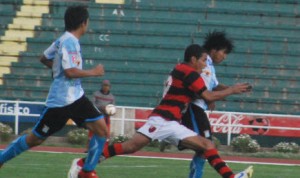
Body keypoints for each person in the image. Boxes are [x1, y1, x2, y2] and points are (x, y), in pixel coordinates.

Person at [69, 44, 253, 178]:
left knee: (205, 146)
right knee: (131, 146)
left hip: (168, 121)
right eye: (204, 60)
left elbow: (203, 95)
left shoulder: (181, 70)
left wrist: (220, 93)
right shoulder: (188, 72)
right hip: (163, 120)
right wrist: (232, 89)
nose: (206, 65)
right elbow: (208, 96)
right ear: (193, 59)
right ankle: (83, 164)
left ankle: (84, 164)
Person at [0, 6, 108, 178]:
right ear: (83, 23)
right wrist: (94, 72)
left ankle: (87, 171)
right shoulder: (69, 41)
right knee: (35, 138)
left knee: (102, 129)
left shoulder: (62, 40)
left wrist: (56, 69)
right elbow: (70, 72)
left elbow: (44, 57)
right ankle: (1, 158)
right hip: (61, 102)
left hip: (76, 97)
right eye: (87, 21)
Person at [181, 30, 235, 178]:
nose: (224, 57)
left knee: (204, 146)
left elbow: (214, 86)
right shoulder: (203, 65)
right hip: (194, 108)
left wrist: (234, 90)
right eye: (223, 52)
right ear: (214, 50)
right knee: (206, 145)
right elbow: (199, 89)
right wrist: (211, 97)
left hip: (199, 109)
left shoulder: (209, 66)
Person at [86, 79, 115, 151]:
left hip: (106, 117)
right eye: (104, 85)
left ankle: (104, 149)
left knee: (106, 132)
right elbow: (92, 104)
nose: (105, 87)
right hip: (96, 116)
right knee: (92, 131)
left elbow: (113, 107)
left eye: (107, 86)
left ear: (110, 87)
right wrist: (101, 108)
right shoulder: (96, 94)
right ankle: (89, 148)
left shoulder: (112, 97)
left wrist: (110, 111)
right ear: (101, 86)